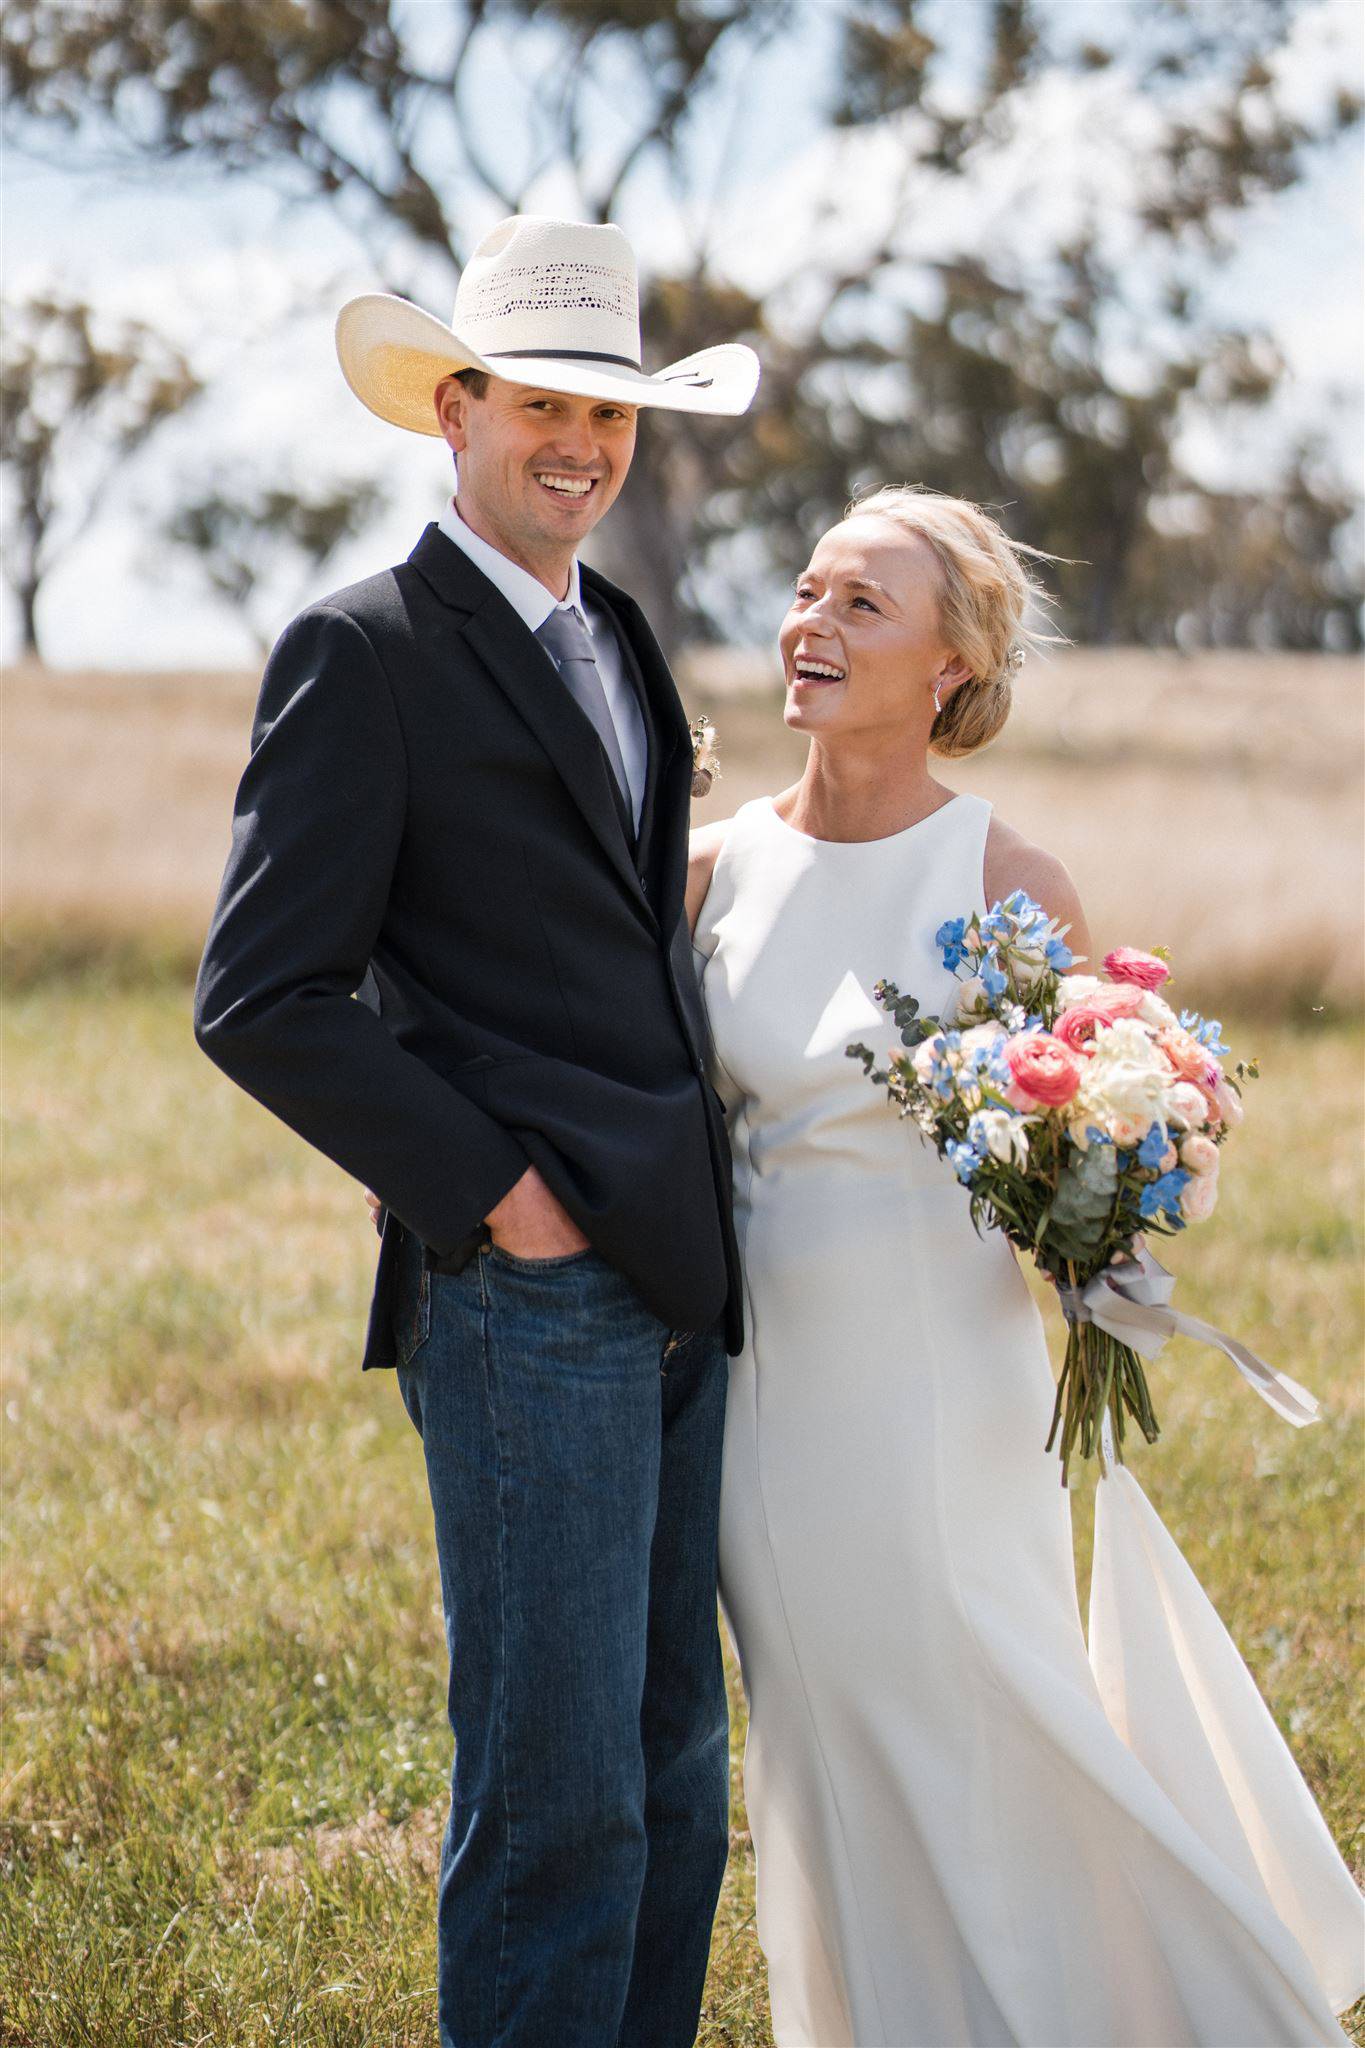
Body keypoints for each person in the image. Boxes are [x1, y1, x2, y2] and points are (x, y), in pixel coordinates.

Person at [686, 485, 1364, 2046]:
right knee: (822, 1730)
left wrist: (1109, 1209)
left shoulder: (1007, 880)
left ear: (951, 664)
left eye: (863, 603)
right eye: (807, 590)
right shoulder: (708, 871)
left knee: (985, 1704)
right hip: (764, 1385)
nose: (811, 622)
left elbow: (1094, 1138)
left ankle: (1181, 2003)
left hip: (944, 1378)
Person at [194, 213, 760, 2048]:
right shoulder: (361, 651)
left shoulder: (622, 639)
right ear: (454, 407)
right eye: (540, 406)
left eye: (611, 412)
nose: (580, 446)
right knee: (554, 1801)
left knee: (676, 1774)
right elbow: (262, 997)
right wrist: (499, 1197)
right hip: (529, 1306)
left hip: (677, 1280)